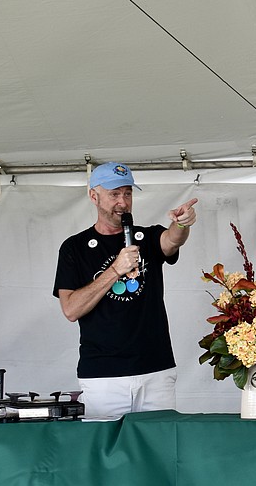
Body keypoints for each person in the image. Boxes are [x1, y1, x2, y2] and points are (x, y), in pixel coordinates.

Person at [53, 162, 198, 418]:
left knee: (157, 447)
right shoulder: (74, 248)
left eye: (127, 193)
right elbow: (71, 309)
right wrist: (115, 270)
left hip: (155, 369)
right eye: (114, 194)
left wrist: (182, 224)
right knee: (107, 450)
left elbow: (172, 240)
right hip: (103, 374)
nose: (123, 202)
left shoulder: (147, 237)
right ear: (93, 196)